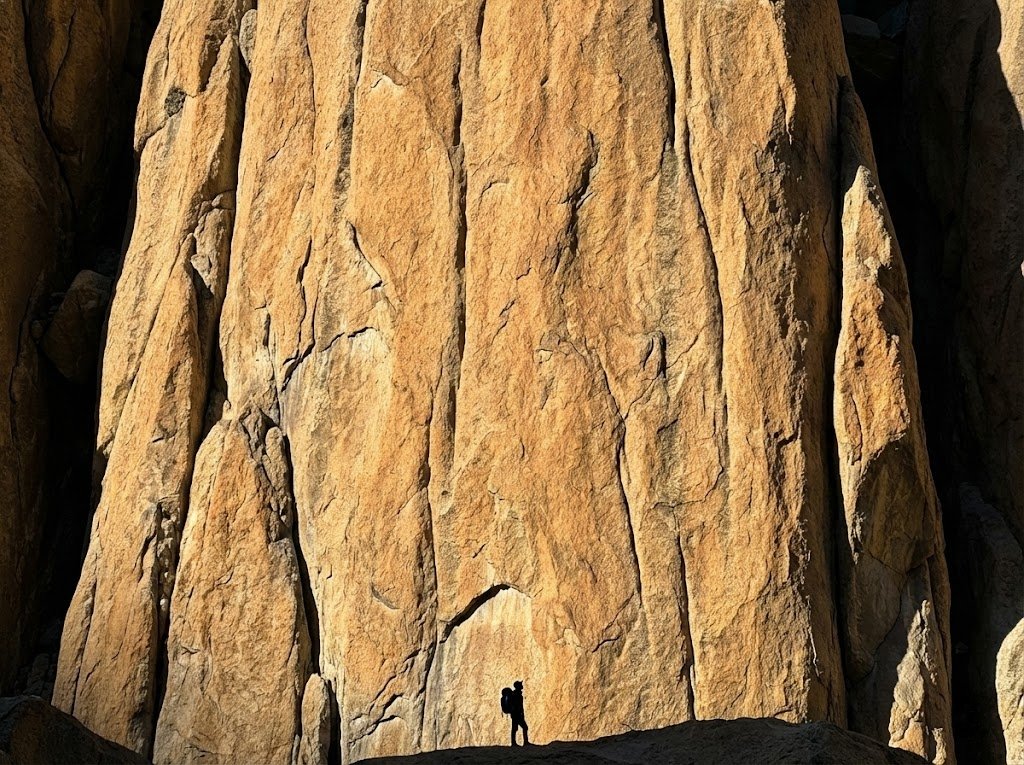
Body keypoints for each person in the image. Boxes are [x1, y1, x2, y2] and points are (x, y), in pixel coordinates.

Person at [508, 680, 529, 746]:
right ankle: (525, 742)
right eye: (520, 685)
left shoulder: (516, 694)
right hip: (517, 714)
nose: (522, 686)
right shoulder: (517, 695)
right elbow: (518, 705)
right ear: (518, 687)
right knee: (524, 727)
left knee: (514, 728)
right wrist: (521, 713)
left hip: (515, 714)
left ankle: (514, 743)